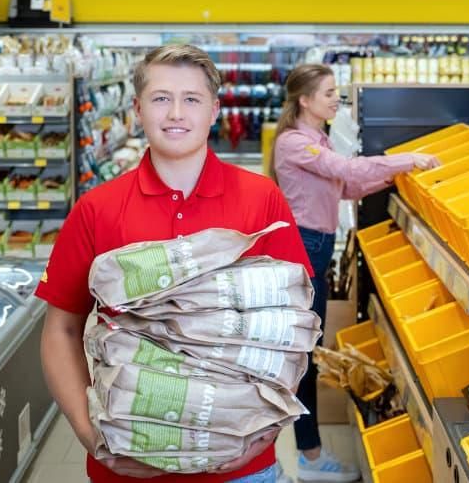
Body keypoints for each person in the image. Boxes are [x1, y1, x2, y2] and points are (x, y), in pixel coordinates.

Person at [36, 44, 312, 483]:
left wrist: (267, 425)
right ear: (137, 109)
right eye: (161, 98)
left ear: (215, 110)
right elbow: (61, 328)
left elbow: (294, 325)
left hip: (242, 469)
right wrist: (89, 433)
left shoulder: (262, 200)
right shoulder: (97, 208)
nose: (176, 113)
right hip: (127, 467)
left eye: (192, 99)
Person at [272, 64, 440, 482]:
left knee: (308, 350)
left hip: (318, 245)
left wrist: (398, 175)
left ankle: (310, 451)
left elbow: (346, 188)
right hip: (304, 246)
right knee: (303, 355)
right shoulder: (296, 143)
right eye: (329, 93)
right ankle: (309, 456)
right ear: (305, 100)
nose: (336, 100)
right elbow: (346, 172)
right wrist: (406, 158)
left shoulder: (318, 140)